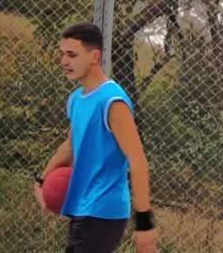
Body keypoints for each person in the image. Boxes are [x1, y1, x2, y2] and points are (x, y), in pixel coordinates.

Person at [37, 22, 158, 253]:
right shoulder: (76, 99)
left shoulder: (113, 101)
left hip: (104, 212)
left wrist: (144, 224)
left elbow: (137, 160)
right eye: (63, 54)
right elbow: (70, 145)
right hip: (82, 208)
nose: (64, 61)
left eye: (72, 55)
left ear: (94, 56)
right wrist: (42, 179)